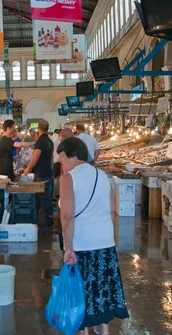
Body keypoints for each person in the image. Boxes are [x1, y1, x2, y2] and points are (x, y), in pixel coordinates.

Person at [57, 137, 129, 334]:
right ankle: (103, 329)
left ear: (74, 156)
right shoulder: (101, 175)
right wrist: (103, 232)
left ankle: (86, 330)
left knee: (83, 290)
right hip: (105, 243)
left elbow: (67, 216)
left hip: (81, 245)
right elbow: (113, 209)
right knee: (101, 287)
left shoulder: (67, 179)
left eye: (62, 157)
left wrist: (68, 247)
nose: (61, 162)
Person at [23, 120, 55, 225]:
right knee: (46, 195)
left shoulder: (40, 141)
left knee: (43, 195)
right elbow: (51, 158)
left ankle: (47, 218)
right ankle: (48, 215)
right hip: (48, 171)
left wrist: (28, 168)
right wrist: (51, 169)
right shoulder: (50, 141)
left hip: (41, 173)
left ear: (38, 128)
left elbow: (35, 157)